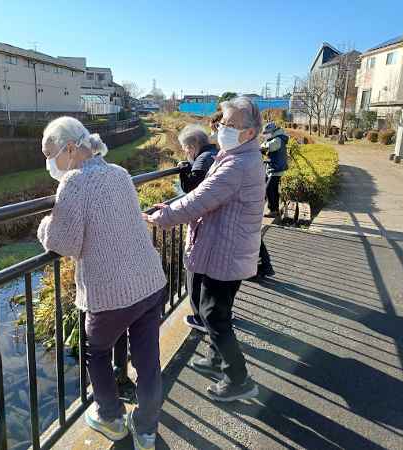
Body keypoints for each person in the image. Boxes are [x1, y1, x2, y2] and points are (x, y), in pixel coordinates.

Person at [37, 116, 166, 449]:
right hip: (150, 283)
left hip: (113, 293)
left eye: (50, 154)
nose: (49, 163)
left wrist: (43, 227)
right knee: (149, 361)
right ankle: (146, 429)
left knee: (96, 351)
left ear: (69, 148)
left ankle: (110, 416)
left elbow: (63, 242)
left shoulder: (74, 183)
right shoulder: (120, 173)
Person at [144, 96, 264, 402]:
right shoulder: (235, 155)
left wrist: (163, 216)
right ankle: (215, 359)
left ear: (249, 132)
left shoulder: (238, 164)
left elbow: (199, 199)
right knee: (213, 309)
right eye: (222, 122)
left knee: (214, 314)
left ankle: (239, 379)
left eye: (230, 124)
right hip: (223, 248)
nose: (222, 128)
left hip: (226, 252)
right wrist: (170, 205)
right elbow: (203, 196)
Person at [176, 124, 218, 334]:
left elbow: (191, 189)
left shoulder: (202, 160)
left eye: (185, 149)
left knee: (195, 270)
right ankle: (215, 312)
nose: (186, 153)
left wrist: (183, 171)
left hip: (204, 224)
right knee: (212, 273)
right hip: (218, 222)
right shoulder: (217, 153)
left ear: (192, 146)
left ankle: (200, 317)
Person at [261, 122, 289, 218]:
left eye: (267, 133)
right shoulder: (277, 138)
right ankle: (275, 209)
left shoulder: (277, 139)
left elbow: (267, 147)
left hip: (276, 168)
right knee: (273, 189)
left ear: (272, 131)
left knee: (269, 189)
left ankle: (273, 210)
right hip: (274, 168)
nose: (265, 135)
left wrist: (259, 147)